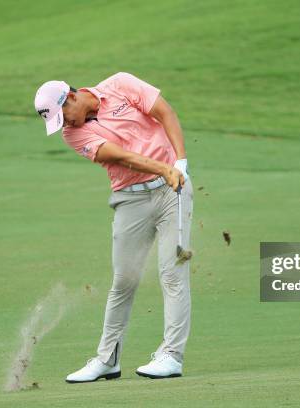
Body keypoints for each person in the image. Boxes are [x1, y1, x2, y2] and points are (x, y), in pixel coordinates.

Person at [33, 72, 193, 381]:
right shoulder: (72, 134)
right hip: (129, 201)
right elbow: (117, 155)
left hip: (172, 190)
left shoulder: (121, 84)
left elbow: (164, 112)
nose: (64, 124)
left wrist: (181, 162)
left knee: (171, 274)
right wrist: (164, 166)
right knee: (123, 281)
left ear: (72, 97)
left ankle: (172, 355)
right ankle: (108, 359)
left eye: (62, 115)